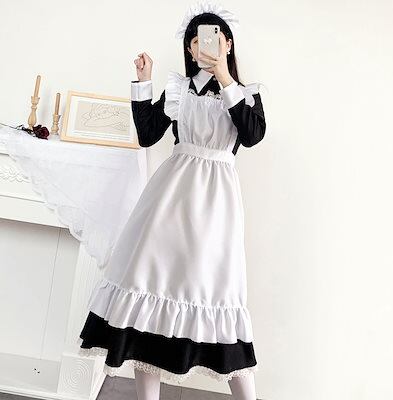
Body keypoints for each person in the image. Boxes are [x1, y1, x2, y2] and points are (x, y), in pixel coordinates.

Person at [77, 2, 266, 399]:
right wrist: (143, 81)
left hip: (215, 208)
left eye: (213, 37)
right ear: (190, 49)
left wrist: (225, 79)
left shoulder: (246, 94)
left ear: (228, 44)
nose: (204, 44)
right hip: (167, 203)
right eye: (196, 40)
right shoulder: (179, 89)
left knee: (217, 294)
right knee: (150, 284)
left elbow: (251, 136)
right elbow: (148, 135)